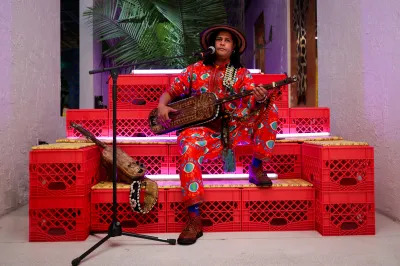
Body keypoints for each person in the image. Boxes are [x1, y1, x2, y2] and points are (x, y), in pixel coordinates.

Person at [157, 25, 279, 245]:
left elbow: (251, 100)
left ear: (233, 49)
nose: (222, 42)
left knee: (270, 108)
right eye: (219, 39)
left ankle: (256, 167)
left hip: (233, 127)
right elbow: (171, 91)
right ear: (212, 45)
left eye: (227, 40)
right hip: (201, 131)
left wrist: (260, 98)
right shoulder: (194, 70)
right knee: (187, 147)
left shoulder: (241, 74)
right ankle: (194, 219)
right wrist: (162, 106)